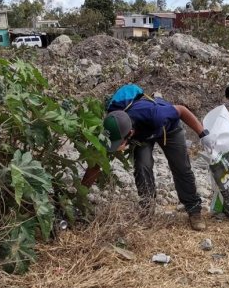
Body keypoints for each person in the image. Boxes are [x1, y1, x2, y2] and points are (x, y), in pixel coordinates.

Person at [81, 94, 213, 231]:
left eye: (118, 144)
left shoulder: (156, 114)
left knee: (181, 167)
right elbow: (98, 163)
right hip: (143, 137)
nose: (115, 147)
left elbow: (181, 110)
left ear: (130, 134)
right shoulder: (115, 128)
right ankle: (147, 210)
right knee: (142, 166)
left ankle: (194, 210)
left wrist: (202, 134)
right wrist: (81, 194)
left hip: (169, 129)